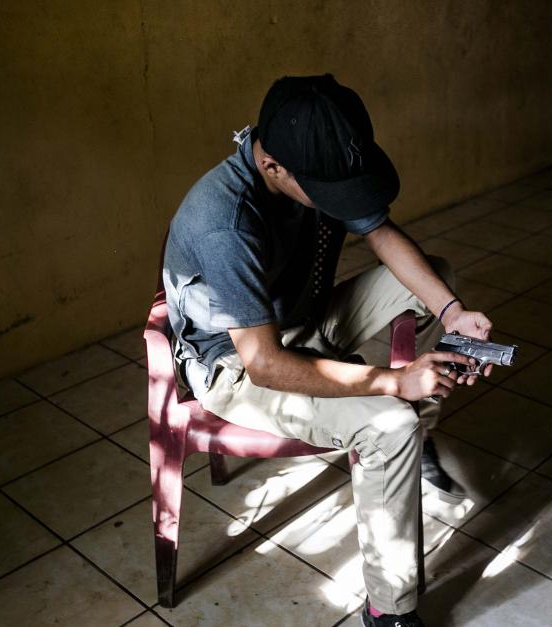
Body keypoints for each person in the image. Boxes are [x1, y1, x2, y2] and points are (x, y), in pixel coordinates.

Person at [162, 74, 494, 626]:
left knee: (434, 280)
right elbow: (264, 364)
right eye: (330, 194)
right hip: (239, 365)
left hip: (303, 319)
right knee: (390, 425)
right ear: (271, 166)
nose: (340, 204)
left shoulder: (306, 163)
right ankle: (390, 613)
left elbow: (380, 232)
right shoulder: (224, 222)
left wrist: (453, 313)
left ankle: (411, 424)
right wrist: (393, 382)